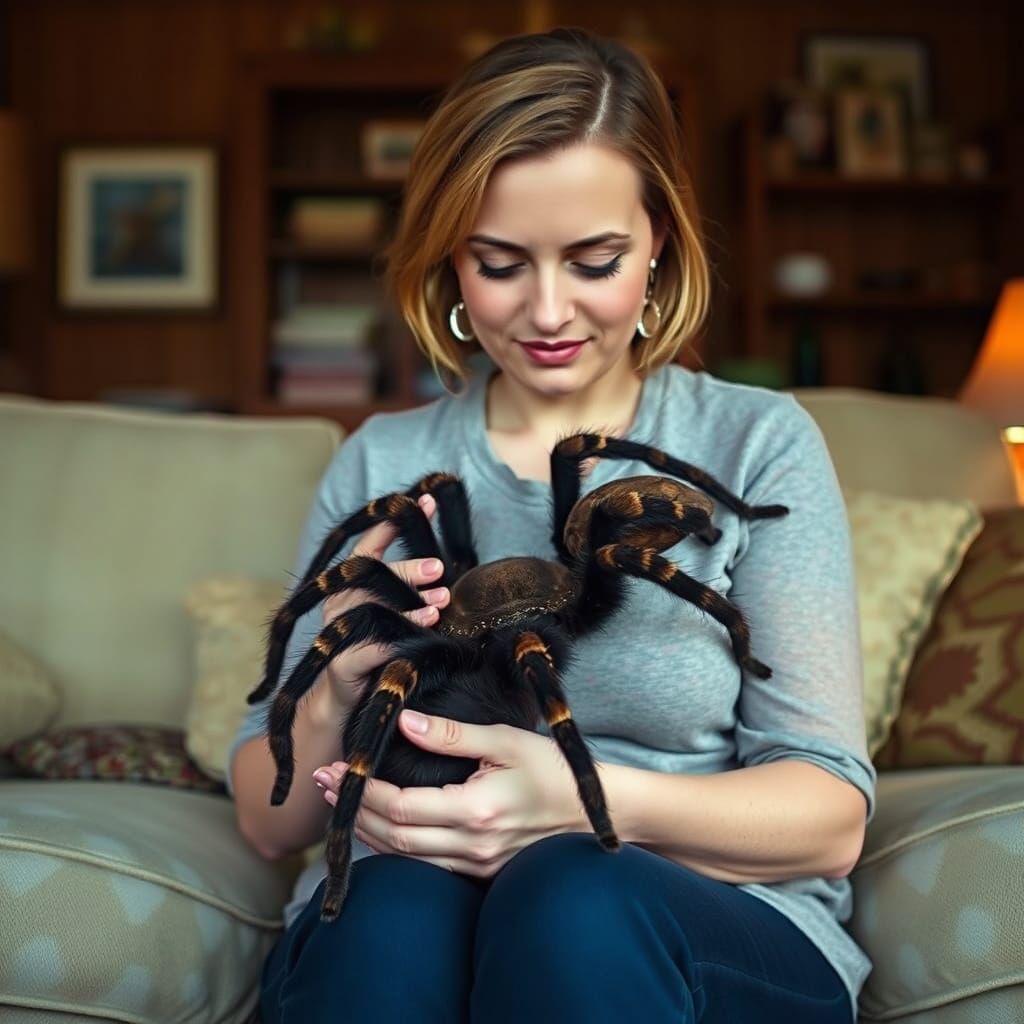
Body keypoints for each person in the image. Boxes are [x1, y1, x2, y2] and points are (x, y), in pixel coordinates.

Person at [229, 26, 875, 1024]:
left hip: (699, 913)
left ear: (657, 237)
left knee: (568, 890)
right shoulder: (387, 465)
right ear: (452, 253)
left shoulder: (752, 442)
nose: (546, 310)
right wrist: (327, 678)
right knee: (382, 912)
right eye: (499, 263)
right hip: (411, 874)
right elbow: (269, 826)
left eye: (593, 259)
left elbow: (830, 822)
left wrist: (578, 800)